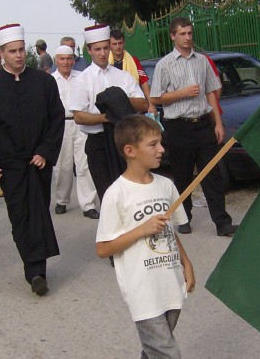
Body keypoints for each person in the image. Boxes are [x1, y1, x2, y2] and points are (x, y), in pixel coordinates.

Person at [95, 115, 218, 359]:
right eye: (154, 144)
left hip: (169, 282)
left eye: (161, 143)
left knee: (155, 353)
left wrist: (187, 262)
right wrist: (141, 230)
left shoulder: (165, 185)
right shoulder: (117, 194)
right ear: (130, 150)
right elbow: (104, 248)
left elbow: (171, 231)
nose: (162, 149)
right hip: (142, 290)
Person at [0, 23, 65, 296]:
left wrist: (46, 151)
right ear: (2, 53)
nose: (18, 55)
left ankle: (38, 271)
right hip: (10, 164)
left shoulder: (44, 82)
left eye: (22, 50)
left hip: (38, 161)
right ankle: (33, 268)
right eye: (12, 51)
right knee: (20, 217)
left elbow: (56, 120)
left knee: (38, 213)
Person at [149, 17, 238, 237]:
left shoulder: (202, 61)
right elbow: (156, 97)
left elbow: (211, 92)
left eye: (190, 33)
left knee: (212, 174)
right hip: (178, 126)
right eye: (182, 34)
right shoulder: (165, 64)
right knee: (182, 174)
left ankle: (222, 222)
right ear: (173, 36)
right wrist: (182, 93)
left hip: (202, 125)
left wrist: (217, 122)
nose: (188, 38)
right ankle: (184, 217)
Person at [71, 23, 148, 204]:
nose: (103, 53)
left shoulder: (122, 76)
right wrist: (107, 117)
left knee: (132, 193)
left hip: (124, 141)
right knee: (108, 198)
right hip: (98, 144)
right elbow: (79, 116)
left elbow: (143, 103)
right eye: (97, 49)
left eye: (106, 48)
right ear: (89, 50)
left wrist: (118, 101)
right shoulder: (83, 80)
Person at [51, 45, 98, 219]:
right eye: (62, 59)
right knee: (62, 165)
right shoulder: (50, 80)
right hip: (60, 125)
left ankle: (88, 204)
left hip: (80, 123)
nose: (65, 62)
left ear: (73, 60)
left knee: (84, 164)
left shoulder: (81, 78)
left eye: (68, 58)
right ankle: (62, 200)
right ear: (56, 60)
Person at [109, 29, 157, 115]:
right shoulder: (107, 63)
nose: (118, 46)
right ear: (110, 45)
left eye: (120, 43)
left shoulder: (133, 61)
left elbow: (144, 82)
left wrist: (151, 104)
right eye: (114, 44)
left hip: (133, 106)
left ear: (124, 43)